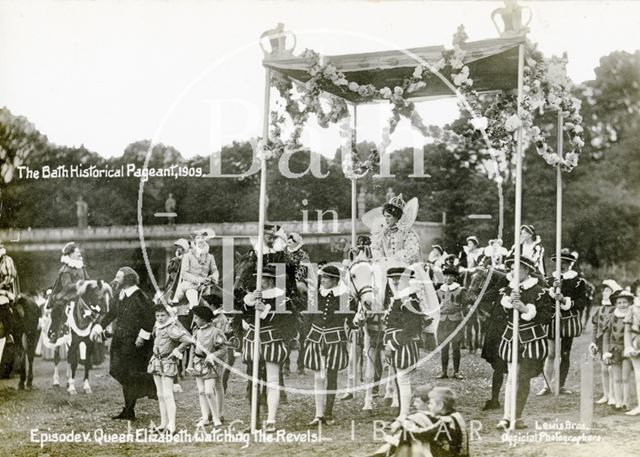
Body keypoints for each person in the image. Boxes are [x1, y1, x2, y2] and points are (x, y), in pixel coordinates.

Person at [90, 267, 156, 420]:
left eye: (118, 277)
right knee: (118, 370)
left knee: (131, 375)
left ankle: (129, 410)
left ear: (127, 279)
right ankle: (132, 405)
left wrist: (143, 336)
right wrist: (98, 327)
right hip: (120, 341)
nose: (115, 279)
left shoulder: (140, 296)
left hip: (135, 343)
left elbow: (150, 318)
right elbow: (111, 314)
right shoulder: (119, 295)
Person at [496, 256, 553, 430]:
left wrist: (525, 309)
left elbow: (547, 316)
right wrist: (508, 304)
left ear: (527, 270)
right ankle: (507, 417)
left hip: (531, 339)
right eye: (512, 269)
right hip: (511, 337)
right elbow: (500, 312)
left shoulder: (539, 291)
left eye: (518, 269)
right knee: (511, 377)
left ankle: (517, 416)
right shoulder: (508, 289)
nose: (514, 272)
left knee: (523, 378)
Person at [239, 264, 296, 432]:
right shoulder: (253, 296)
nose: (258, 281)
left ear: (270, 280)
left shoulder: (282, 298)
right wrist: (249, 304)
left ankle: (271, 420)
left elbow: (287, 321)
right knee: (253, 382)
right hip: (253, 341)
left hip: (272, 341)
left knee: (272, 382)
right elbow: (244, 316)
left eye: (262, 278)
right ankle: (254, 421)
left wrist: (265, 310)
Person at [305, 265, 356, 425]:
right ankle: (318, 414)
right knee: (318, 376)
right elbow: (309, 318)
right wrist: (306, 336)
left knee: (332, 376)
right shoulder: (315, 295)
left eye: (326, 278)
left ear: (335, 280)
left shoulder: (345, 297)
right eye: (322, 277)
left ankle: (329, 413)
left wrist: (357, 322)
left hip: (335, 339)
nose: (323, 281)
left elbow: (352, 320)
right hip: (316, 338)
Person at [537, 249, 590, 396]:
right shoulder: (548, 280)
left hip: (568, 320)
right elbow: (543, 300)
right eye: (559, 263)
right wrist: (553, 290)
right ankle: (547, 385)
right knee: (551, 353)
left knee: (565, 354)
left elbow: (581, 302)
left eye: (565, 263)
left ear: (570, 264)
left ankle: (560, 385)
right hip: (552, 319)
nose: (561, 266)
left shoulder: (578, 281)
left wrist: (565, 300)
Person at [375, 385, 469, 457]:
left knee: (414, 439)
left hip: (451, 455)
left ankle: (390, 450)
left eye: (431, 404)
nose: (429, 406)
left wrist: (408, 426)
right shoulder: (455, 416)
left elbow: (423, 433)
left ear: (440, 405)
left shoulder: (446, 421)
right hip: (458, 454)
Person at [384, 266, 424, 420]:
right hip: (398, 343)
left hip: (403, 344)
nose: (395, 281)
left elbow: (410, 328)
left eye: (398, 278)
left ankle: (404, 414)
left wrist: (392, 344)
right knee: (399, 379)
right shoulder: (400, 297)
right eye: (393, 278)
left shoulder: (409, 299)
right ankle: (402, 412)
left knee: (403, 379)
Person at [147, 304, 192, 434]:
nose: (160, 318)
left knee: (167, 394)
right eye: (157, 315)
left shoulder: (172, 328)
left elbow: (187, 340)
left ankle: (172, 426)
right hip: (156, 361)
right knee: (160, 394)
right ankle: (163, 423)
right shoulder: (156, 326)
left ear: (169, 315)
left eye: (163, 315)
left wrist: (177, 350)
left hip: (167, 362)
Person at [187, 305, 227, 427]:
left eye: (197, 318)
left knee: (209, 391)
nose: (194, 320)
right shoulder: (196, 332)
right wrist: (190, 364)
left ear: (204, 319)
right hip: (198, 363)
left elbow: (224, 349)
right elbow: (193, 349)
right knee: (201, 391)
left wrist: (212, 355)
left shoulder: (216, 332)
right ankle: (205, 417)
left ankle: (216, 417)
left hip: (210, 365)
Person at [590, 280, 622, 405]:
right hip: (600, 342)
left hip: (611, 343)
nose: (604, 292)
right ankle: (606, 394)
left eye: (607, 290)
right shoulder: (600, 309)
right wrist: (593, 342)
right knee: (604, 369)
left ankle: (614, 395)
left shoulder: (616, 309)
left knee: (611, 369)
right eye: (604, 290)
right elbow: (595, 327)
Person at [602, 289, 634, 412]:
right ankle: (618, 402)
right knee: (616, 378)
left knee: (626, 377)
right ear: (615, 304)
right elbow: (606, 336)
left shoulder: (632, 316)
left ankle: (627, 402)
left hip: (626, 349)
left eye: (625, 302)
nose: (622, 305)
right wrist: (605, 351)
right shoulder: (611, 317)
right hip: (614, 350)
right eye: (619, 303)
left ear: (630, 303)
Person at [284, 232, 311, 375]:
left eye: (292, 239)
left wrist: (293, 279)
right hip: (283, 282)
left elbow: (302, 270)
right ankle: (285, 363)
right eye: (288, 239)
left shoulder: (303, 255)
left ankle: (305, 310)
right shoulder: (281, 253)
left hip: (297, 281)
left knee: (301, 288)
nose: (289, 241)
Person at [172, 230, 219, 309]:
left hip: (205, 287)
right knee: (194, 303)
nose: (200, 240)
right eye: (198, 238)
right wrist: (199, 280)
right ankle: (193, 320)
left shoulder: (210, 257)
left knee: (210, 307)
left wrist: (212, 278)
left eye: (202, 238)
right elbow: (184, 274)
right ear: (194, 240)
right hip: (189, 286)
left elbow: (215, 271)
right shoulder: (187, 256)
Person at [371, 194, 421, 265]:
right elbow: (375, 250)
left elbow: (412, 252)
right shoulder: (382, 233)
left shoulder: (407, 233)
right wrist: (384, 260)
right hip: (384, 266)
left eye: (388, 216)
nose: (386, 219)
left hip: (403, 267)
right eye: (385, 216)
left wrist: (398, 259)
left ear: (396, 217)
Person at [436, 266, 465, 380]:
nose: (448, 278)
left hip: (456, 321)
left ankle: (457, 371)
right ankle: (444, 371)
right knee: (444, 347)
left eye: (451, 276)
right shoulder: (439, 291)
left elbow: (466, 304)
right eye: (446, 276)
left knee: (456, 346)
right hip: (443, 321)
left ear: (455, 278)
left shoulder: (460, 290)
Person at [623, 291, 640, 416]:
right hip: (635, 344)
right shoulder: (632, 309)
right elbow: (627, 330)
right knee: (638, 377)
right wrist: (628, 347)